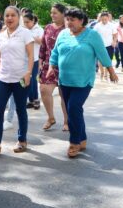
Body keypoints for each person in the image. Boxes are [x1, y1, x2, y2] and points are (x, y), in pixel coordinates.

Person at [48, 8, 118, 158]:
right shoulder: (63, 34)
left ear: (81, 21)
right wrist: (51, 66)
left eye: (72, 19)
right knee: (73, 109)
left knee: (73, 107)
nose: (69, 22)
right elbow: (55, 52)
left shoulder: (92, 35)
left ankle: (74, 142)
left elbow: (102, 53)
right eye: (67, 19)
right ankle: (83, 137)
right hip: (65, 80)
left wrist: (111, 71)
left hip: (83, 80)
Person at [0, 6, 34, 157]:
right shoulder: (1, 34)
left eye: (13, 15)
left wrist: (28, 73)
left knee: (20, 109)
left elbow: (31, 55)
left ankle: (22, 140)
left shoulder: (25, 33)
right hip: (3, 78)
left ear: (18, 17)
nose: (9, 18)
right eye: (7, 15)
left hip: (20, 78)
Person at [38, 3, 69, 131]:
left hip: (65, 66)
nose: (52, 15)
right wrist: (40, 62)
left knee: (64, 95)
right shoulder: (48, 27)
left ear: (63, 14)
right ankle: (51, 118)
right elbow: (43, 46)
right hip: (48, 65)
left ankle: (67, 121)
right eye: (51, 12)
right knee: (44, 90)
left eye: (55, 12)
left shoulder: (69, 29)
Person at [23, 12, 43, 110]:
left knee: (32, 80)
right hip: (24, 59)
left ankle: (35, 99)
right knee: (27, 80)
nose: (26, 24)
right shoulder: (22, 30)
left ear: (33, 21)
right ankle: (31, 100)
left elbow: (42, 42)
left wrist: (30, 35)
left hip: (35, 59)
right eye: (24, 22)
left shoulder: (39, 30)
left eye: (27, 22)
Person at [93, 12, 117, 81]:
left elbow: (115, 34)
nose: (104, 20)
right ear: (100, 18)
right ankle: (102, 73)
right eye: (102, 19)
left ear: (108, 18)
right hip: (100, 45)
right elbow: (94, 35)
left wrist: (114, 41)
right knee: (100, 60)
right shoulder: (97, 26)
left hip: (109, 45)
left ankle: (106, 74)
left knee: (108, 60)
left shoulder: (112, 25)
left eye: (105, 19)